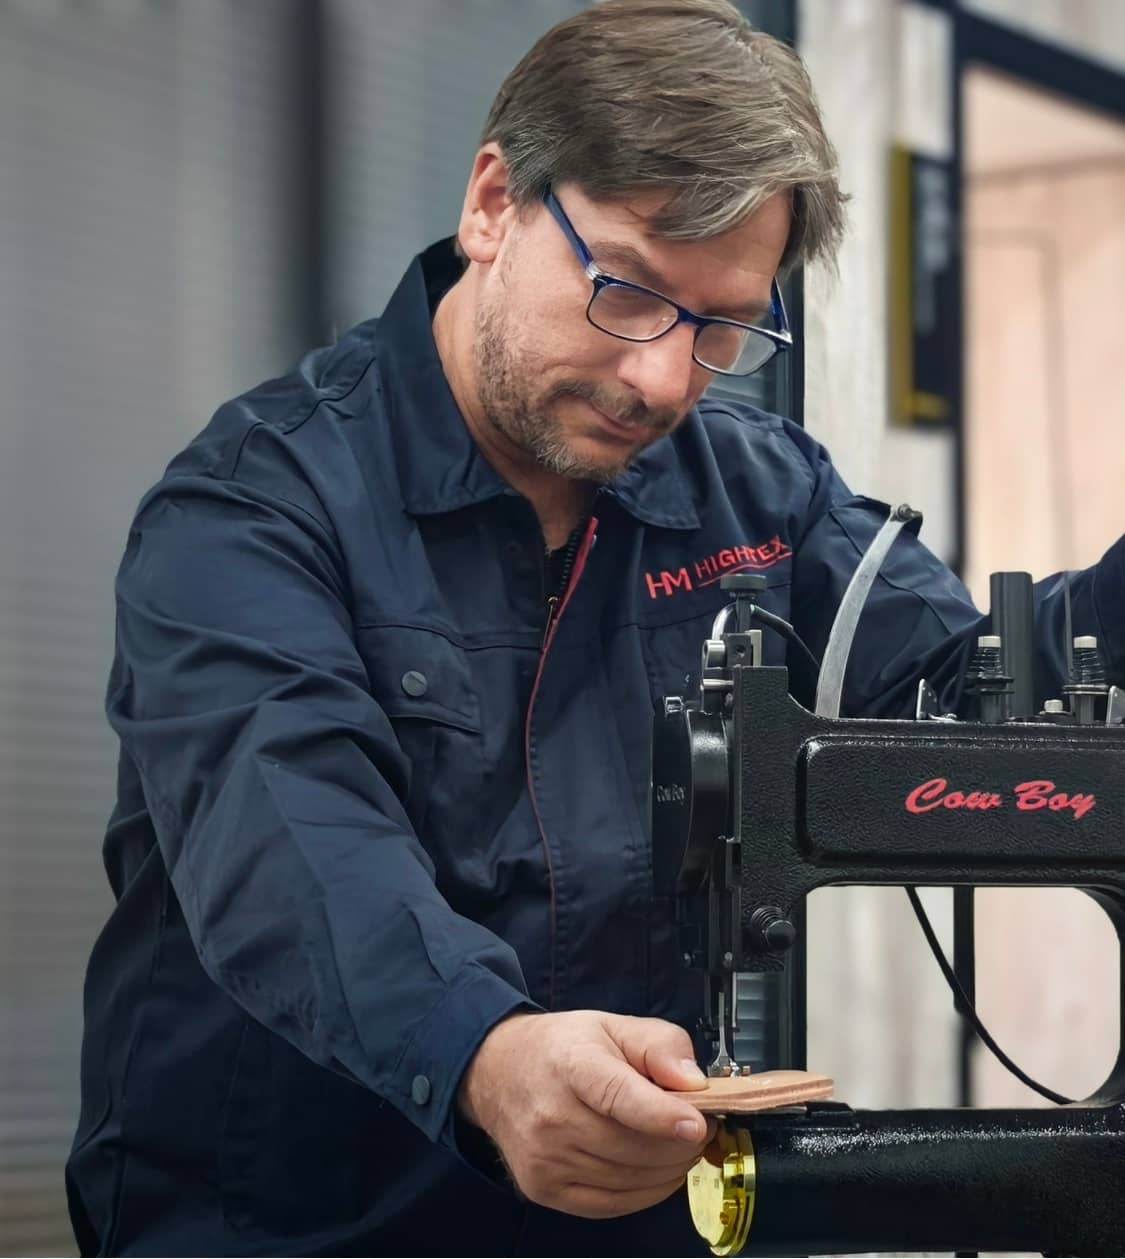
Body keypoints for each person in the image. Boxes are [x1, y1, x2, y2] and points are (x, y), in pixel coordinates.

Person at [67, 0, 1122, 1254]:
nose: (667, 379)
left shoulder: (757, 492)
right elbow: (292, 840)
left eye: (724, 327)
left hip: (626, 1210)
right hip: (289, 1214)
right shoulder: (252, 507)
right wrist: (487, 1049)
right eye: (630, 293)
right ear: (493, 206)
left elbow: (964, 694)